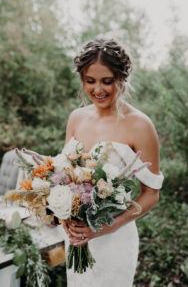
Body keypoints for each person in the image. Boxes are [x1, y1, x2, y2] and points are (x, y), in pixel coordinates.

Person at [62, 38, 164, 287]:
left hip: (115, 240)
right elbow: (65, 173)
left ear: (121, 78)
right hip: (76, 237)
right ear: (82, 80)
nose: (98, 89)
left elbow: (151, 194)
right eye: (90, 81)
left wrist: (105, 227)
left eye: (107, 81)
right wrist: (63, 212)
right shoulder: (76, 118)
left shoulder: (140, 125)